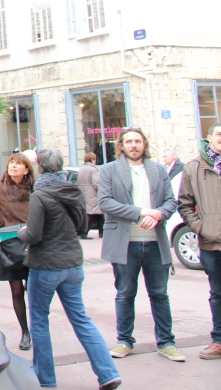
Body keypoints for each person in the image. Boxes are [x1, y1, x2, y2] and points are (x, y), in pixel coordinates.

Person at [20, 149, 121, 390]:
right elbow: (82, 226)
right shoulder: (73, 190)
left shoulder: (40, 195)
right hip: (73, 263)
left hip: (45, 265)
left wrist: (21, 232)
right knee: (80, 318)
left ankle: (45, 378)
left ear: (40, 169)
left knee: (39, 321)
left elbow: (33, 235)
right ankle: (108, 372)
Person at [97, 127, 182, 362]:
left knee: (160, 294)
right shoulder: (109, 170)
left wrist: (157, 215)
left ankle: (166, 342)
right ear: (121, 146)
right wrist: (141, 212)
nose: (133, 145)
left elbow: (170, 201)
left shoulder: (158, 170)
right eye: (129, 142)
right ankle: (124, 341)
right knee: (125, 293)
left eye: (138, 141)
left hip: (155, 243)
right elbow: (105, 202)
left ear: (144, 144)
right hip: (125, 243)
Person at [0, 152, 35, 351]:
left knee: (36, 289)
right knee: (16, 290)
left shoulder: (34, 189)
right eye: (11, 163)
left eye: (18, 164)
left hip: (33, 244)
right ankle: (25, 331)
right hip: (10, 246)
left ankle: (37, 328)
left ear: (26, 170)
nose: (13, 166)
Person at [178, 122, 221, 360]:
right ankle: (219, 341)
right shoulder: (194, 167)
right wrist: (201, 227)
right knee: (218, 294)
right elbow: (184, 204)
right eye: (218, 134)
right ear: (209, 138)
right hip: (212, 243)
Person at [77, 152, 103, 239]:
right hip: (92, 194)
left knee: (98, 214)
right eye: (95, 159)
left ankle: (102, 232)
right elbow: (96, 183)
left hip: (84, 193)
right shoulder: (93, 170)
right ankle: (84, 232)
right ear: (92, 160)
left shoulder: (82, 169)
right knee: (92, 213)